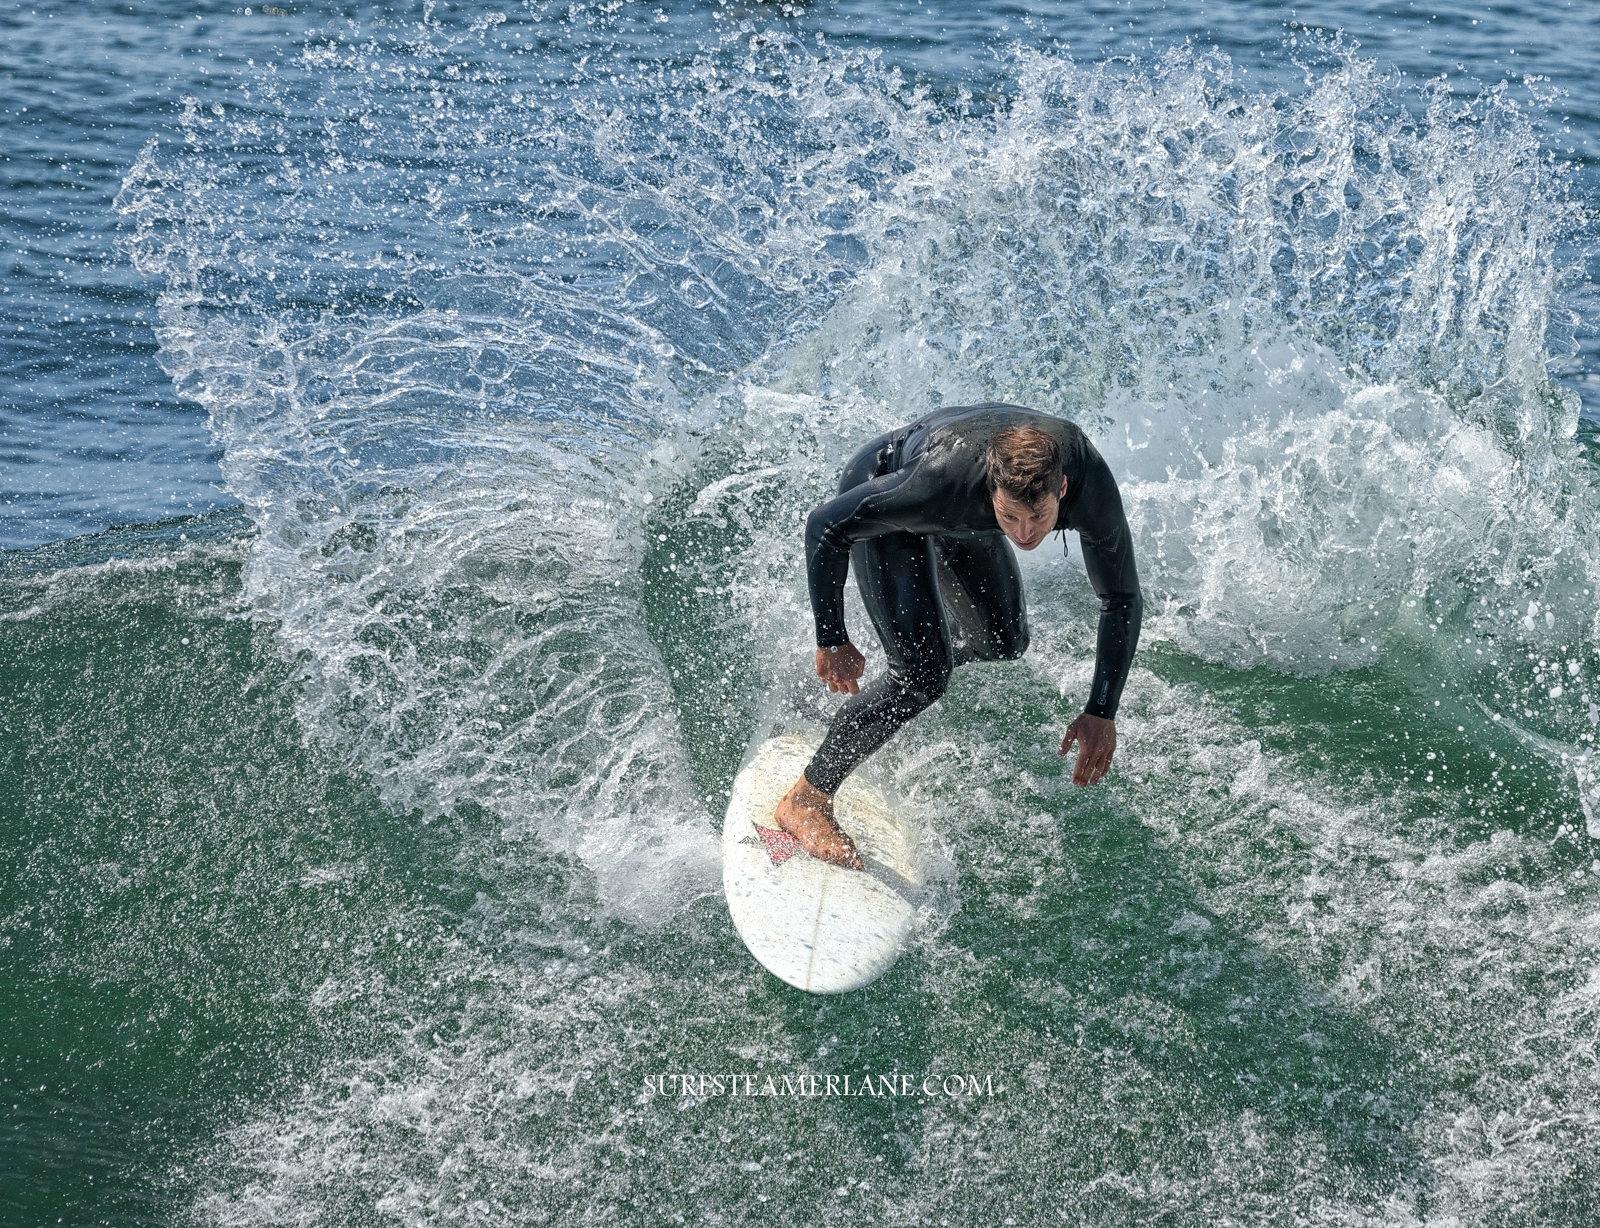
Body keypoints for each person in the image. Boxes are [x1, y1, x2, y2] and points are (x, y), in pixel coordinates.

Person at [773, 403, 1142, 869]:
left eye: (1040, 518)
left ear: (1062, 489)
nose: (1025, 534)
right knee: (922, 676)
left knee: (1004, 642)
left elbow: (1122, 599)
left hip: (965, 506)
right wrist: (831, 637)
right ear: (993, 491)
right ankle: (807, 800)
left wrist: (1100, 711)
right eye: (1011, 519)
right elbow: (825, 526)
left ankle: (905, 667)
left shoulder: (1090, 487)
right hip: (894, 488)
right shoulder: (935, 488)